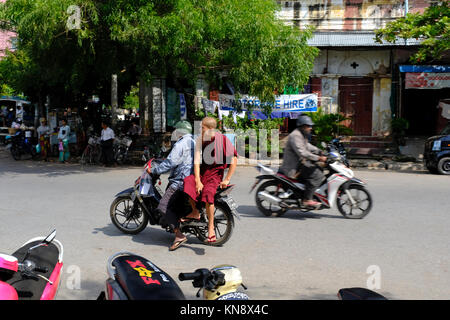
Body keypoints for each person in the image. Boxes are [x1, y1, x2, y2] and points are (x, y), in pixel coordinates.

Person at [183, 117, 238, 244]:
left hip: (215, 175)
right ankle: (195, 211)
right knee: (187, 182)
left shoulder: (222, 139)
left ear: (211, 129)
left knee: (208, 194)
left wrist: (227, 179)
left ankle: (211, 227)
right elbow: (196, 161)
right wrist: (197, 180)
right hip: (203, 172)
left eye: (202, 128)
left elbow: (234, 159)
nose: (200, 130)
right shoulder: (200, 139)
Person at [148, 120, 196, 251]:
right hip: (190, 179)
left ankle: (178, 235)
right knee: (173, 203)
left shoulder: (180, 144)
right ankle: (177, 220)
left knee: (163, 207)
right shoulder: (194, 141)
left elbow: (171, 162)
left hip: (179, 181)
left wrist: (154, 170)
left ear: (179, 132)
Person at [279, 114, 327, 208]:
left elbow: (308, 146)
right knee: (317, 174)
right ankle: (307, 200)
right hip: (293, 168)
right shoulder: (295, 136)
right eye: (308, 126)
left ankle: (308, 193)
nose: (310, 128)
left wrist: (319, 151)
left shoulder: (301, 135)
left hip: (299, 164)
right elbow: (303, 153)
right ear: (303, 126)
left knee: (318, 168)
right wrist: (319, 158)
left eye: (310, 126)